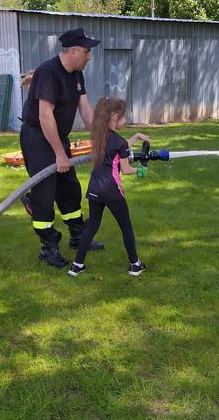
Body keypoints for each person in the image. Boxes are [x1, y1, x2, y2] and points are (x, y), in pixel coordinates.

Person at [19, 27, 104, 269]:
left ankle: (79, 235)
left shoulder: (77, 74)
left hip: (57, 136)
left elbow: (86, 110)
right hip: (37, 137)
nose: (89, 56)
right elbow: (45, 116)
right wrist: (58, 153)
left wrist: (100, 139)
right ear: (74, 51)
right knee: (45, 194)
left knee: (69, 188)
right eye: (87, 51)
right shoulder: (48, 73)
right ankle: (48, 247)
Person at [68, 97, 148, 277]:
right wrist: (140, 171)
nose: (125, 120)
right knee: (126, 227)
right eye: (124, 117)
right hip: (112, 191)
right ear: (115, 117)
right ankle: (135, 265)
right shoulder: (118, 141)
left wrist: (135, 137)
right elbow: (126, 170)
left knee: (91, 227)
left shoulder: (99, 136)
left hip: (94, 189)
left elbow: (120, 148)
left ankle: (77, 265)